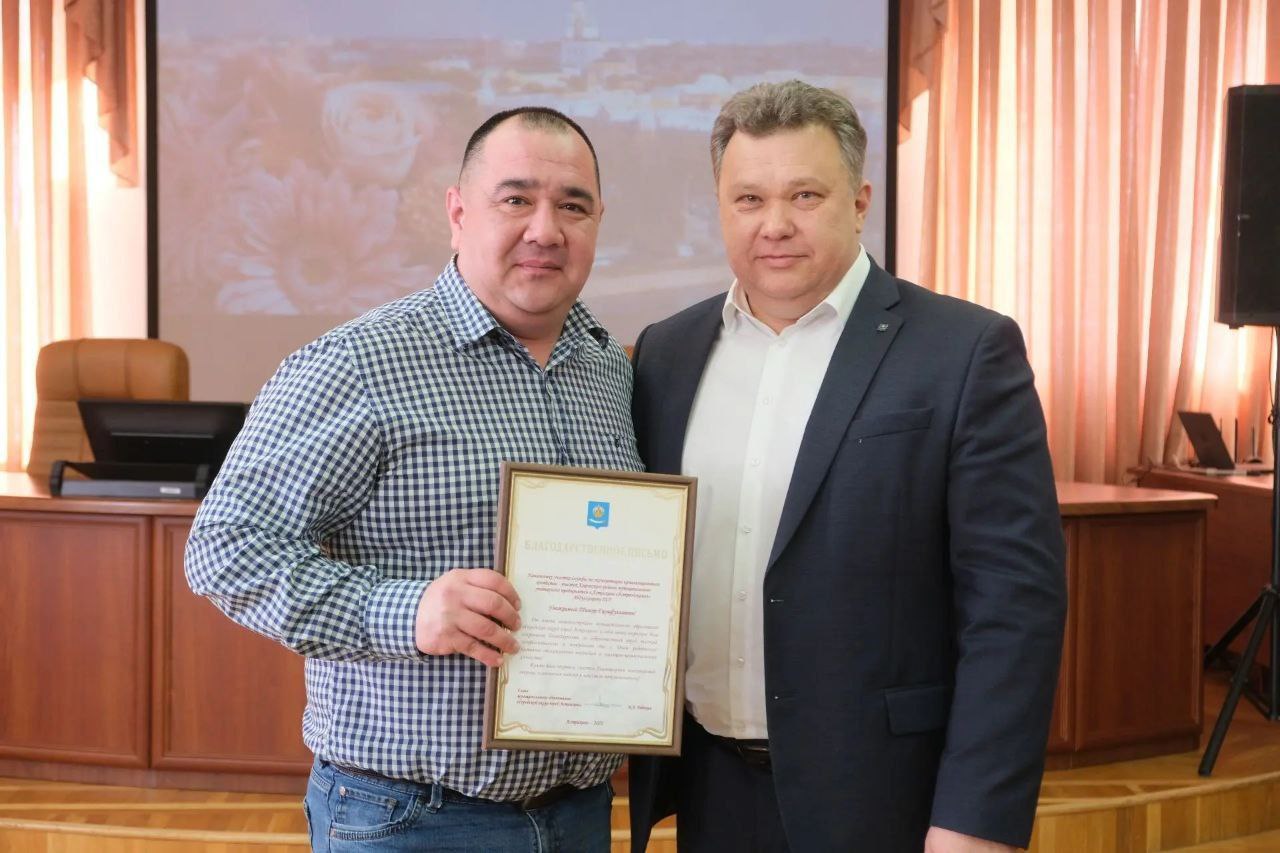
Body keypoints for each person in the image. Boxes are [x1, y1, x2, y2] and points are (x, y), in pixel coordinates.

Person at [185, 106, 641, 853]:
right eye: (516, 199)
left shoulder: (609, 371)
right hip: (410, 819)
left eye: (573, 206)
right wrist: (406, 612)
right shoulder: (358, 363)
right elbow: (225, 548)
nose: (546, 229)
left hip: (581, 814)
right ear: (457, 213)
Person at [627, 81, 1067, 853]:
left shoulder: (963, 351)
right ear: (720, 207)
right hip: (710, 789)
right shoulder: (668, 351)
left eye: (805, 195)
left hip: (887, 797)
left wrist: (976, 818)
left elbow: (1013, 607)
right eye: (749, 199)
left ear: (860, 202)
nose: (775, 224)